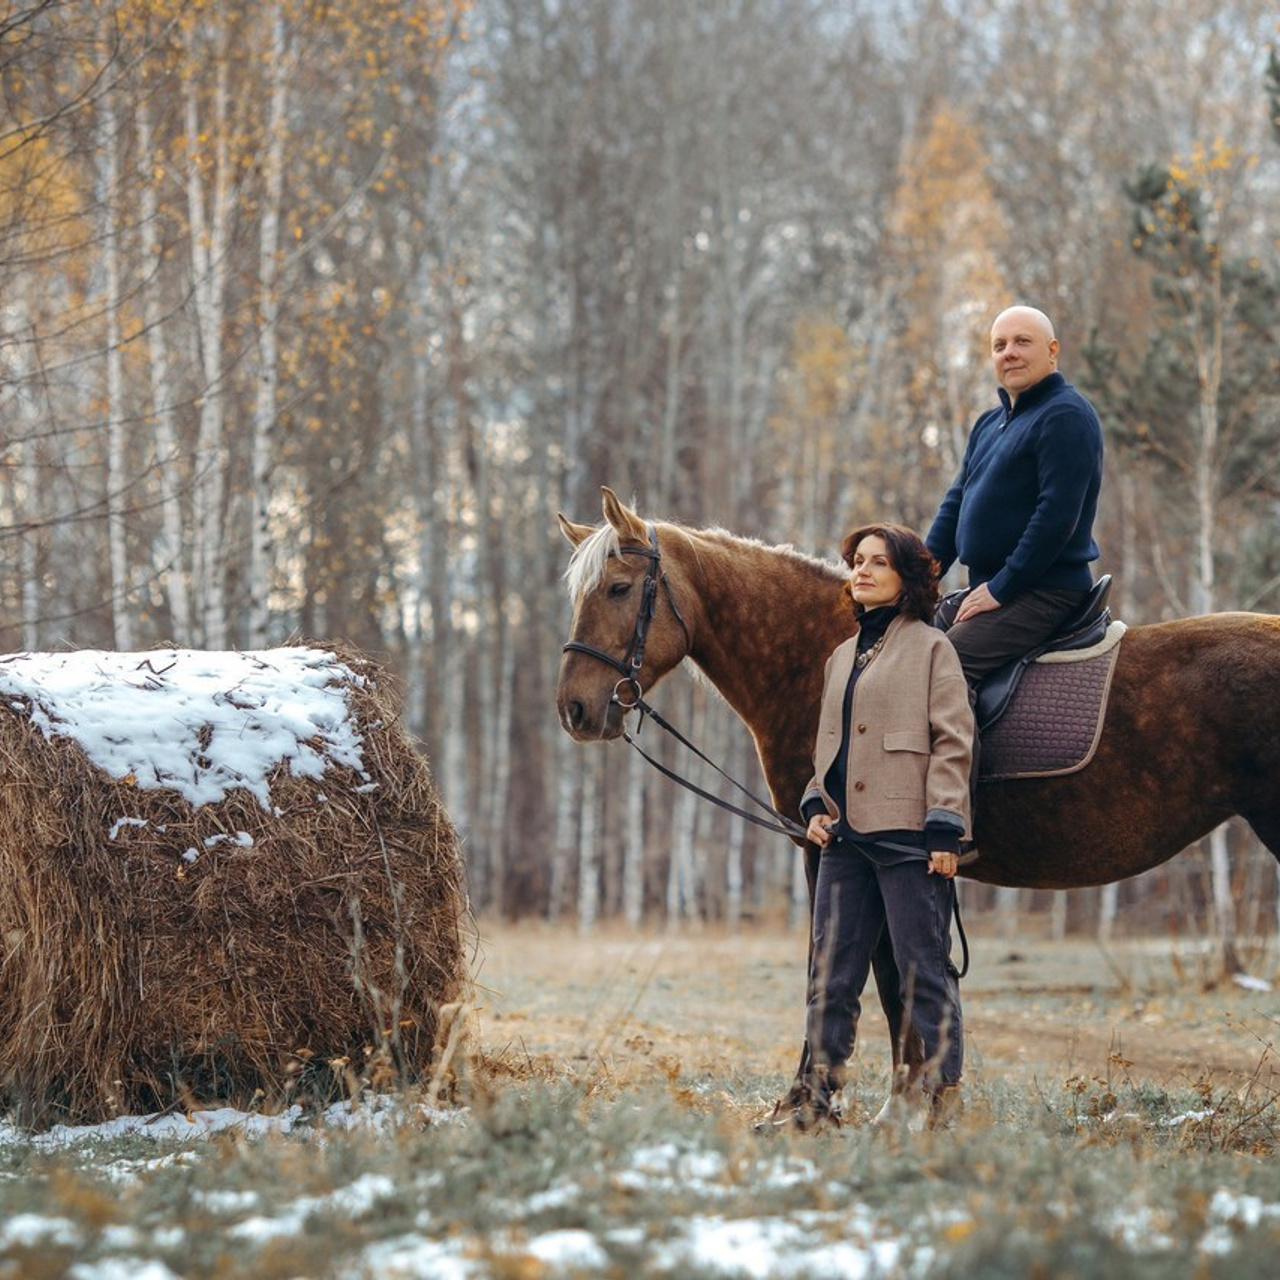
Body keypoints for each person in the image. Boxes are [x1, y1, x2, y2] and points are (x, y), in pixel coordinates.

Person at [782, 523, 973, 1131]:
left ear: (907, 577)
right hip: (844, 843)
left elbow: (952, 741)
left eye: (877, 563)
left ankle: (942, 1108)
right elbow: (829, 751)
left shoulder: (933, 648)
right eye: (856, 561)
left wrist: (946, 826)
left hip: (910, 841)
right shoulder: (843, 656)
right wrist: (814, 805)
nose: (861, 571)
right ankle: (816, 1102)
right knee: (829, 978)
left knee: (924, 971)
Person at [926, 305, 1104, 682]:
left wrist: (1002, 587)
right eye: (999, 345)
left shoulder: (1066, 415)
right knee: (905, 648)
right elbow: (955, 505)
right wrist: (918, 576)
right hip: (989, 587)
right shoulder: (989, 424)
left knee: (944, 670)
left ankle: (961, 745)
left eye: (1022, 342)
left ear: (1052, 350)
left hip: (1045, 591)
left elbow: (1056, 517)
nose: (1009, 352)